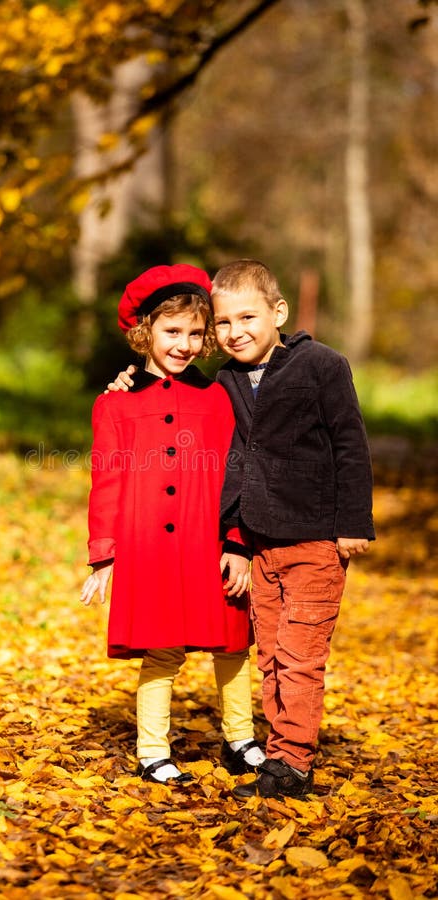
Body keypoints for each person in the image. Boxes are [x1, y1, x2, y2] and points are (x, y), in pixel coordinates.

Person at [106, 259, 375, 799]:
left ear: (278, 312)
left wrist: (353, 522)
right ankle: (278, 753)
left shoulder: (321, 366)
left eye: (245, 318)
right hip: (257, 541)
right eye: (223, 324)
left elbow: (350, 443)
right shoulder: (224, 381)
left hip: (315, 535)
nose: (235, 332)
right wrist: (129, 378)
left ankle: (290, 763)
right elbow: (175, 402)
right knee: (272, 654)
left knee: (296, 657)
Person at [80, 263, 266, 785]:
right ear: (144, 332)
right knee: (162, 650)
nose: (183, 344)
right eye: (171, 331)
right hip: (149, 549)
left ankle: (240, 738)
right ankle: (152, 751)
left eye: (194, 333)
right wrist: (103, 555)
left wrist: (238, 541)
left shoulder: (219, 398)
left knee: (231, 644)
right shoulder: (115, 405)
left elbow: (238, 474)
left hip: (211, 543)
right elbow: (107, 481)